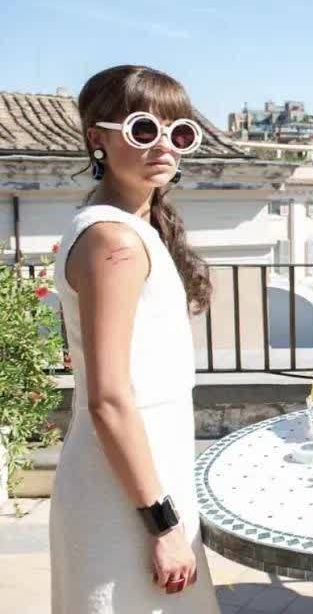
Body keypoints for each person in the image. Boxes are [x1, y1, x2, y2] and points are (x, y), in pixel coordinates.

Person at [50, 65, 220, 613]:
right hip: (126, 499)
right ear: (97, 139)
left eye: (179, 132)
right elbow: (108, 398)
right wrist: (163, 524)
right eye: (143, 129)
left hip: (141, 480)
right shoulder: (113, 241)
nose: (164, 145)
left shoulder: (126, 229)